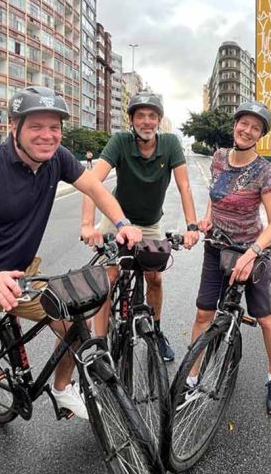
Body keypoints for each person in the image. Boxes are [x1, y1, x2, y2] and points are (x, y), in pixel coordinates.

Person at [0, 86, 142, 474]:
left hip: (21, 277)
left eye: (55, 127)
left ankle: (61, 390)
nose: (48, 135)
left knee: (74, 323)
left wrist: (122, 223)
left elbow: (92, 184)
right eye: (37, 126)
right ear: (13, 127)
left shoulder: (57, 160)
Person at [81, 92, 200, 361]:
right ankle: (100, 344)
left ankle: (155, 331)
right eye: (140, 116)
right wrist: (88, 225)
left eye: (152, 116)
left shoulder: (170, 144)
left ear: (159, 120)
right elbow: (91, 183)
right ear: (132, 120)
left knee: (155, 277)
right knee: (108, 279)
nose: (146, 121)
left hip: (149, 223)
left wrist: (192, 226)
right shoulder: (120, 142)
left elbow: (184, 186)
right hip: (117, 218)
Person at [190, 101, 271, 415]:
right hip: (216, 247)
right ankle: (191, 379)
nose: (247, 130)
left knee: (264, 316)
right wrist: (207, 219)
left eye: (255, 127)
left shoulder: (264, 171)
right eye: (243, 123)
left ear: (260, 134)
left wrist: (251, 254)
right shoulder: (219, 158)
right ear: (235, 125)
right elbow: (214, 196)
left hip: (251, 251)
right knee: (204, 314)